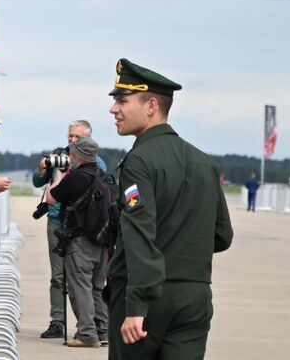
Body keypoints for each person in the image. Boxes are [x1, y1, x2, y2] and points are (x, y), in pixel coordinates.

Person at [105, 59, 234, 360]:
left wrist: (136, 306)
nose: (114, 109)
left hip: (145, 299)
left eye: (122, 101)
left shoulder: (139, 161)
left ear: (151, 105)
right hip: (194, 298)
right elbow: (222, 235)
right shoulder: (204, 162)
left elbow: (139, 231)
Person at [32, 119, 107, 340]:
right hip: (56, 220)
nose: (72, 141)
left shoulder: (95, 163)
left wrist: (67, 177)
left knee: (83, 278)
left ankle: (88, 325)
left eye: (78, 138)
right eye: (70, 137)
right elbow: (39, 182)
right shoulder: (58, 156)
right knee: (58, 276)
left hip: (80, 226)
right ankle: (57, 321)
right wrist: (42, 168)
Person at [49, 135, 112, 348]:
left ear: (79, 156)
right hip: (102, 241)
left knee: (80, 287)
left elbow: (51, 197)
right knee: (96, 287)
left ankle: (86, 334)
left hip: (81, 241)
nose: (69, 156)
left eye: (72, 153)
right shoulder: (102, 175)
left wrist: (59, 176)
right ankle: (103, 331)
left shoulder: (76, 177)